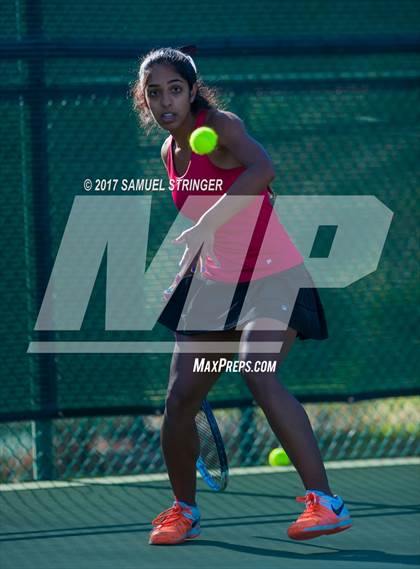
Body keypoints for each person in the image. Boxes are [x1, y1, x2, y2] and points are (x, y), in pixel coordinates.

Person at [132, 46, 352, 545]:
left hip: (274, 278)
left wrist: (208, 221)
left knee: (257, 370)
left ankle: (327, 503)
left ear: (192, 92)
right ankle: (183, 510)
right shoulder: (169, 154)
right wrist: (183, 270)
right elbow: (200, 225)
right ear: (144, 101)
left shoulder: (223, 127)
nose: (166, 101)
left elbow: (263, 171)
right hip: (213, 286)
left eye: (174, 90)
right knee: (180, 398)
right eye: (154, 93)